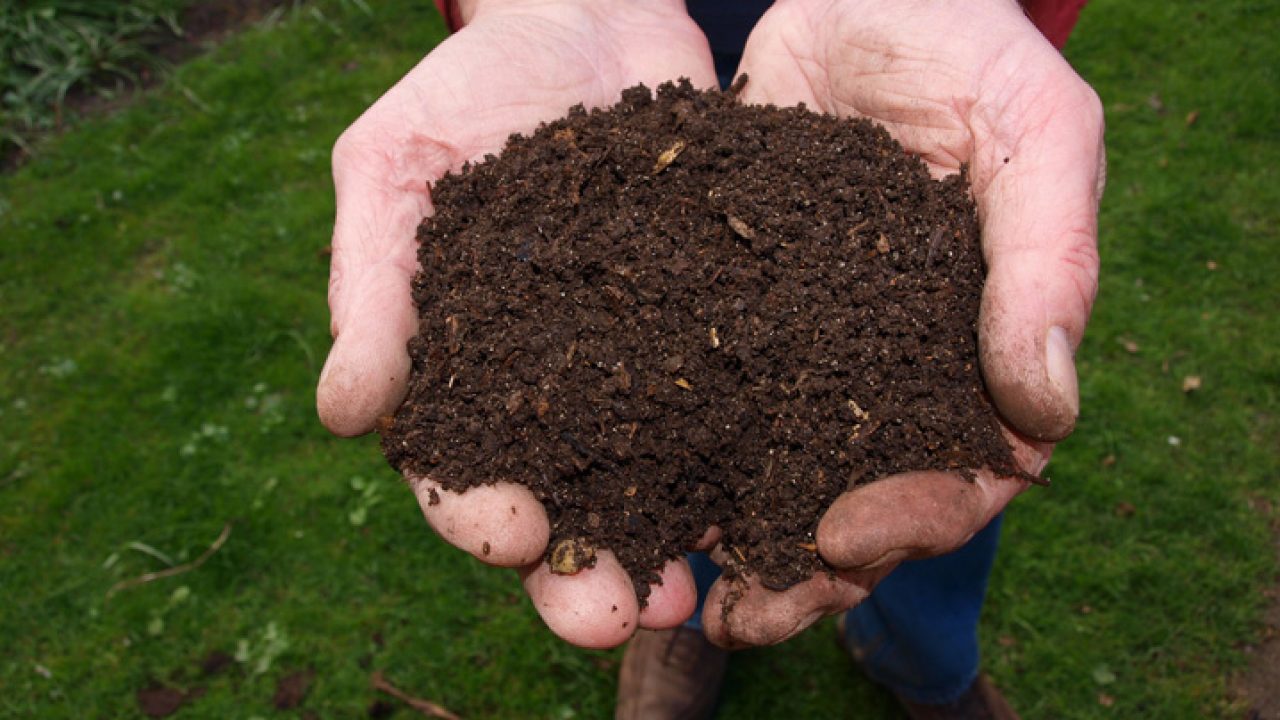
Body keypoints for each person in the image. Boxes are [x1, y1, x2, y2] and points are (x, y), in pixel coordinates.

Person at [316, 1, 1104, 717]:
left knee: (929, 493)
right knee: (679, 544)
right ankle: (679, 614)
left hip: (876, 41)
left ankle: (926, 667)